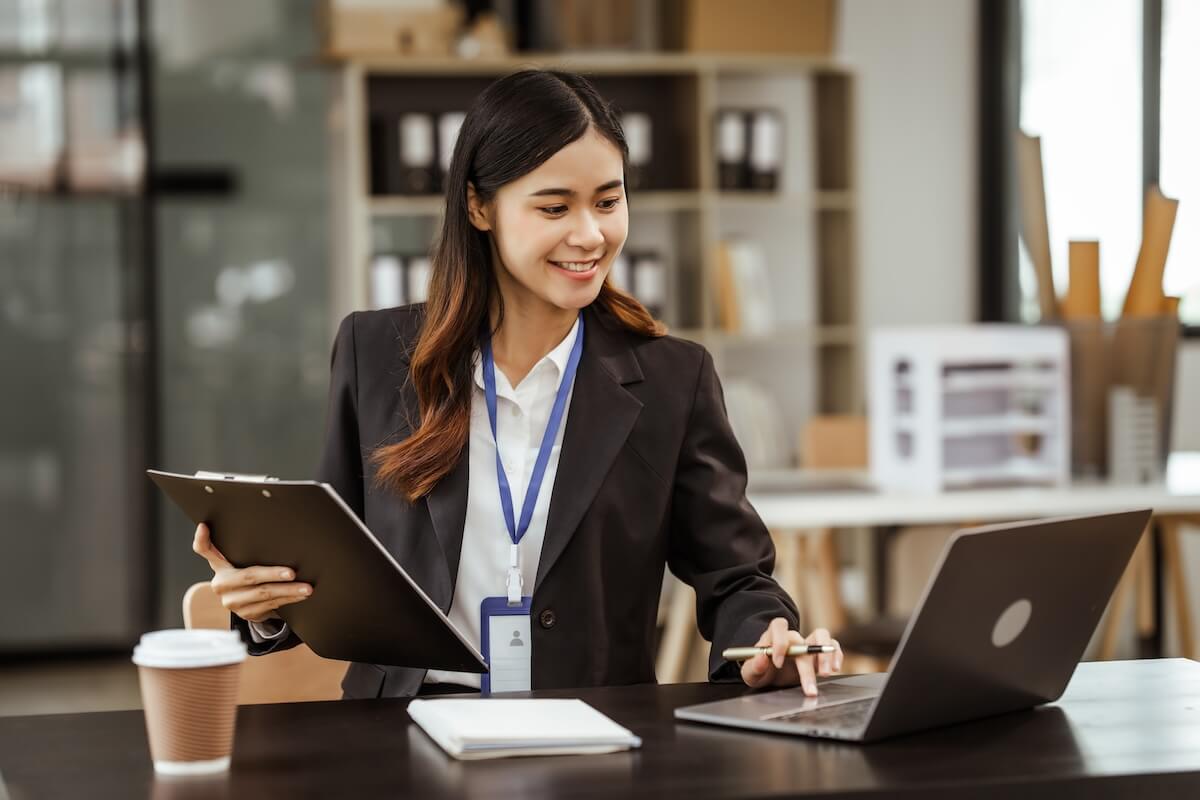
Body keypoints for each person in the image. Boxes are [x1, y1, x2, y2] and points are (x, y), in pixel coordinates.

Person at [192, 68, 843, 699]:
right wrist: (264, 608)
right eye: (555, 207)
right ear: (479, 206)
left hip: (594, 734)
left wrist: (767, 642)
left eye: (608, 202)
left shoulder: (672, 379)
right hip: (405, 733)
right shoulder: (374, 354)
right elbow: (331, 569)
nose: (589, 235)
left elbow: (738, 579)